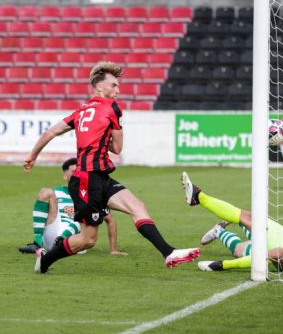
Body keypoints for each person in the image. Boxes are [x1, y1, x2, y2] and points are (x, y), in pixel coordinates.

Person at [24, 61, 199, 274]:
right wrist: (106, 136)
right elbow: (117, 148)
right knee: (88, 240)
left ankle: (169, 252)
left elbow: (50, 132)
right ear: (100, 87)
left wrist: (33, 156)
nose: (118, 90)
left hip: (98, 176)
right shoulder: (113, 108)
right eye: (114, 85)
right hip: (87, 179)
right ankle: (45, 260)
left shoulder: (79, 111)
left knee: (138, 206)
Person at [18, 157, 127, 255]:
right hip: (52, 236)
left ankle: (62, 242)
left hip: (75, 242)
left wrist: (113, 249)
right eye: (74, 172)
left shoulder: (91, 195)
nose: (78, 174)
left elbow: (110, 220)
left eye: (80, 171)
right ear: (65, 176)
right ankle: (37, 243)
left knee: (82, 213)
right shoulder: (55, 193)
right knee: (45, 192)